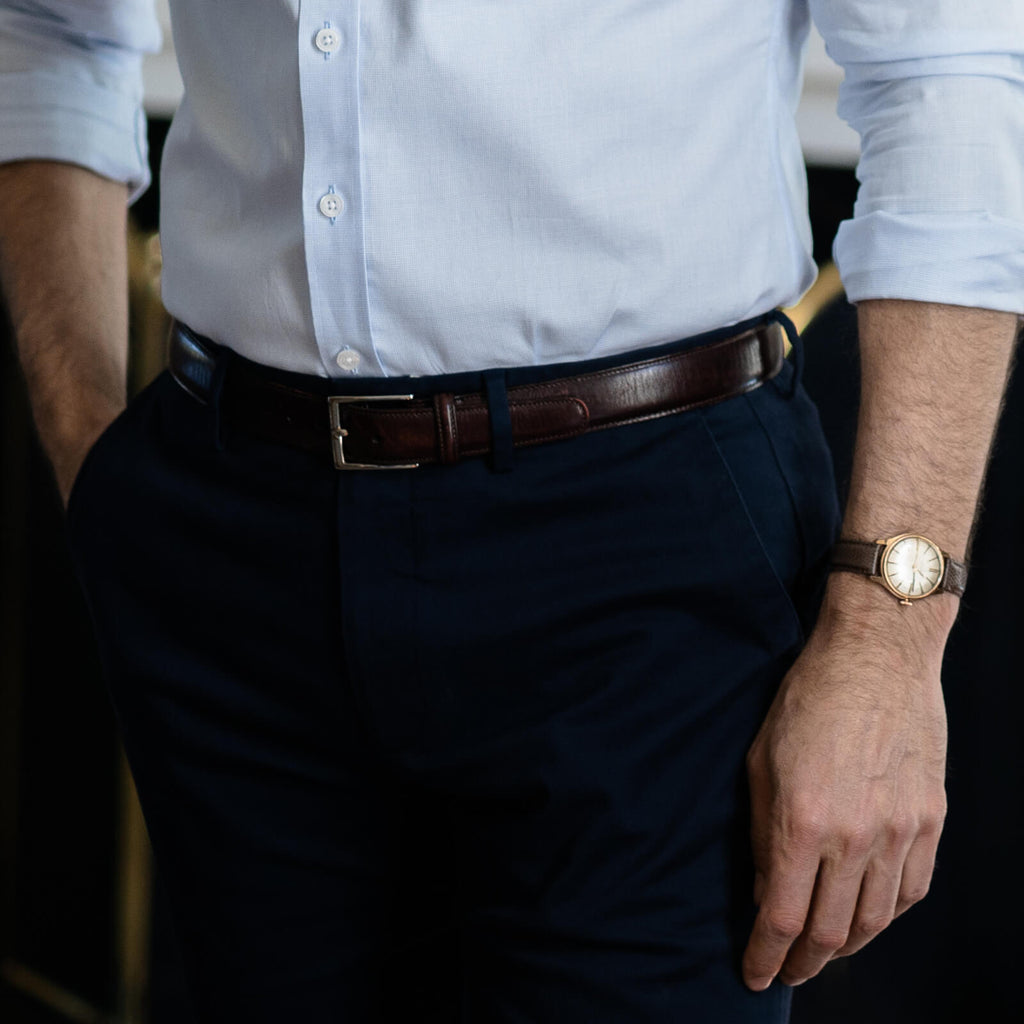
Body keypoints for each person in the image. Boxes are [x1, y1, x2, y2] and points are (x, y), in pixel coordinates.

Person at [0, 2, 1021, 1021]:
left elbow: (951, 71)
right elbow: (49, 27)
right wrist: (90, 455)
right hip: (236, 551)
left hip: (647, 553)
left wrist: (889, 640)